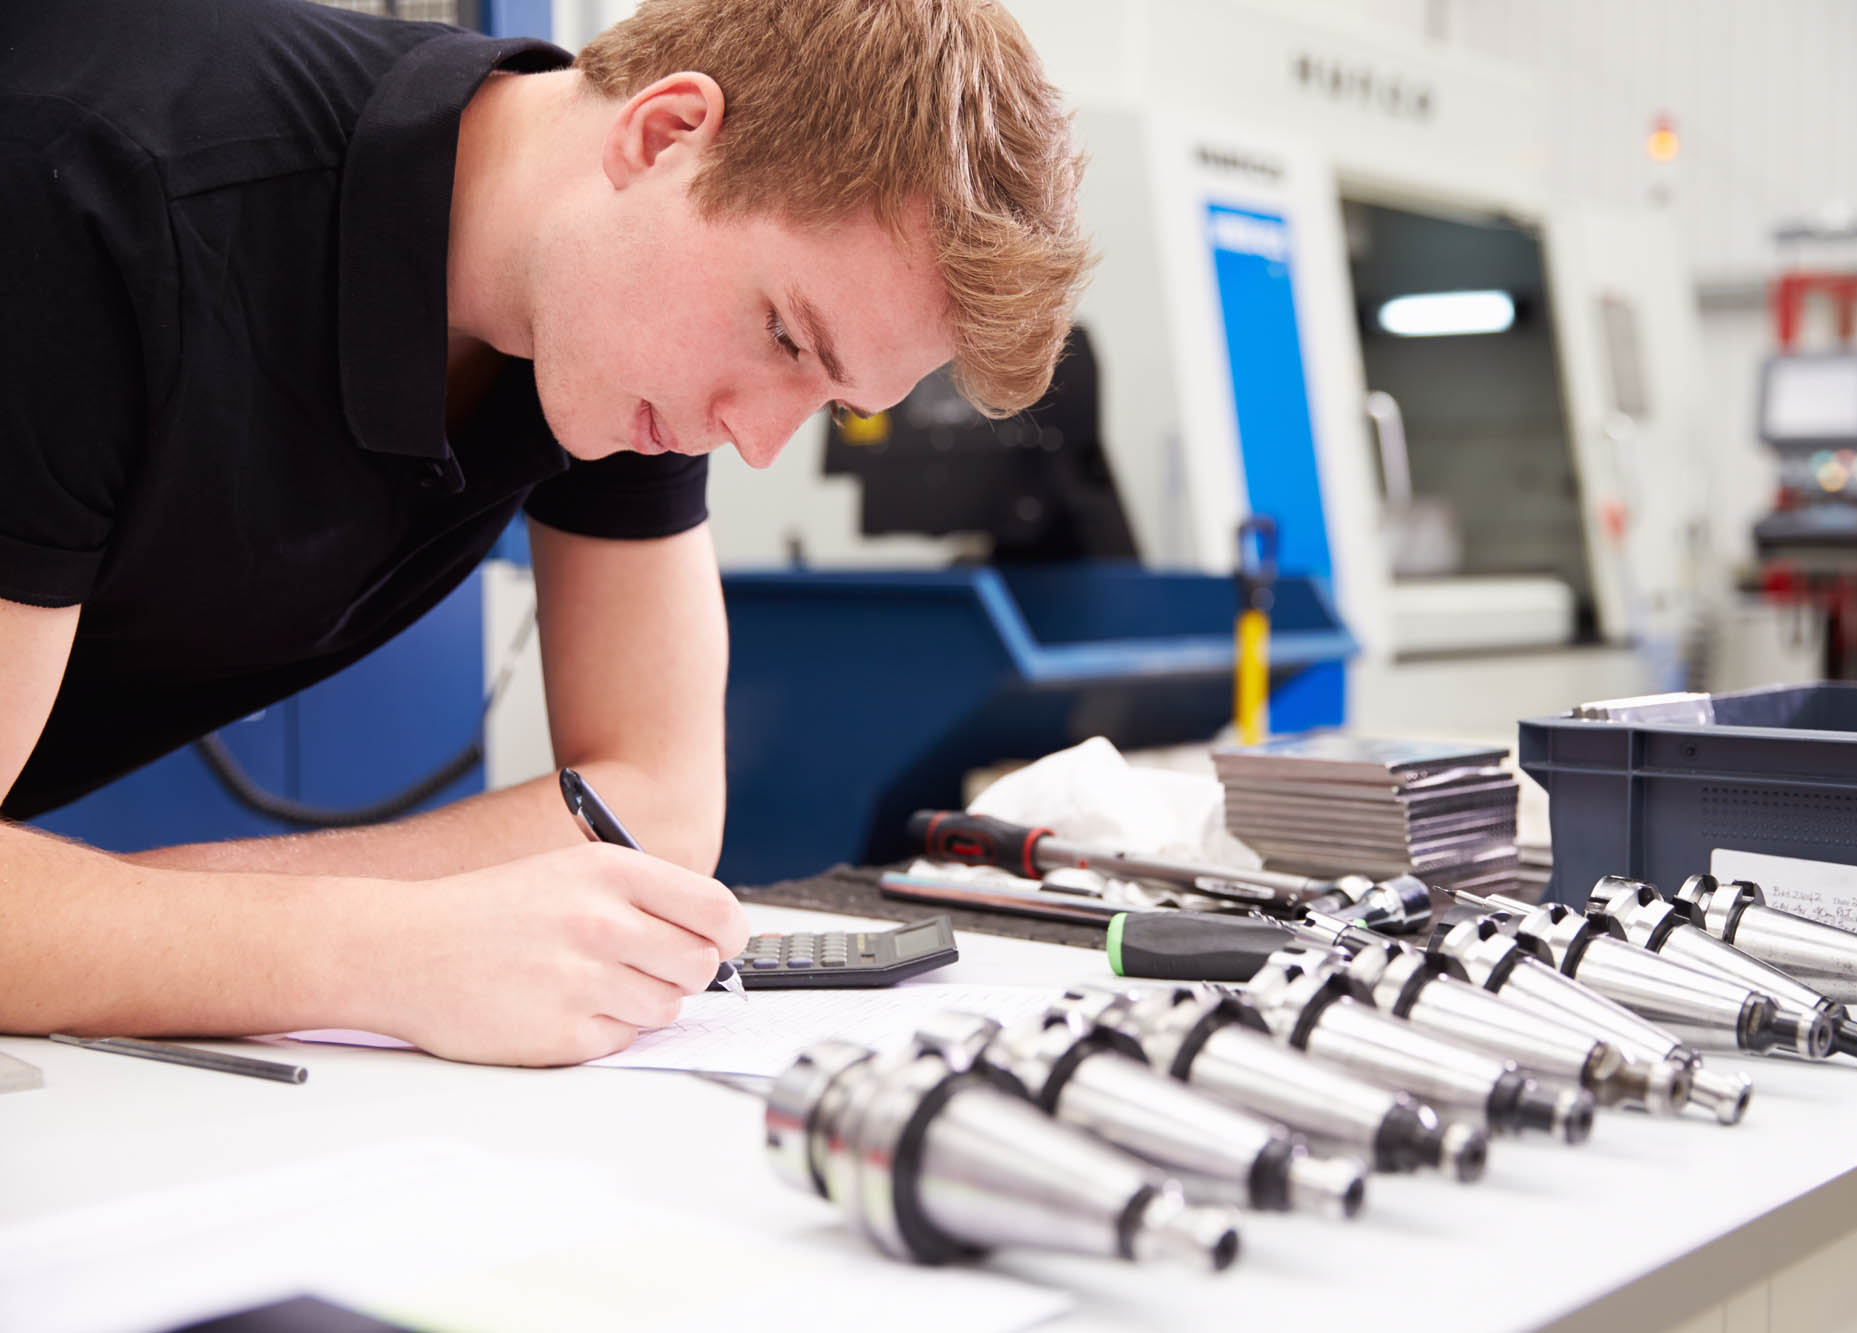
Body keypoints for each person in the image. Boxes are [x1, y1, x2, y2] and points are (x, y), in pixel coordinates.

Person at [0, 0, 1088, 1065]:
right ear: (663, 135)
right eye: (784, 336)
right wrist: (365, 947)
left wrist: (118, 926)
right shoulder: (93, 190)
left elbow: (654, 809)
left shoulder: (608, 313)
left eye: (829, 398)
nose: (756, 441)